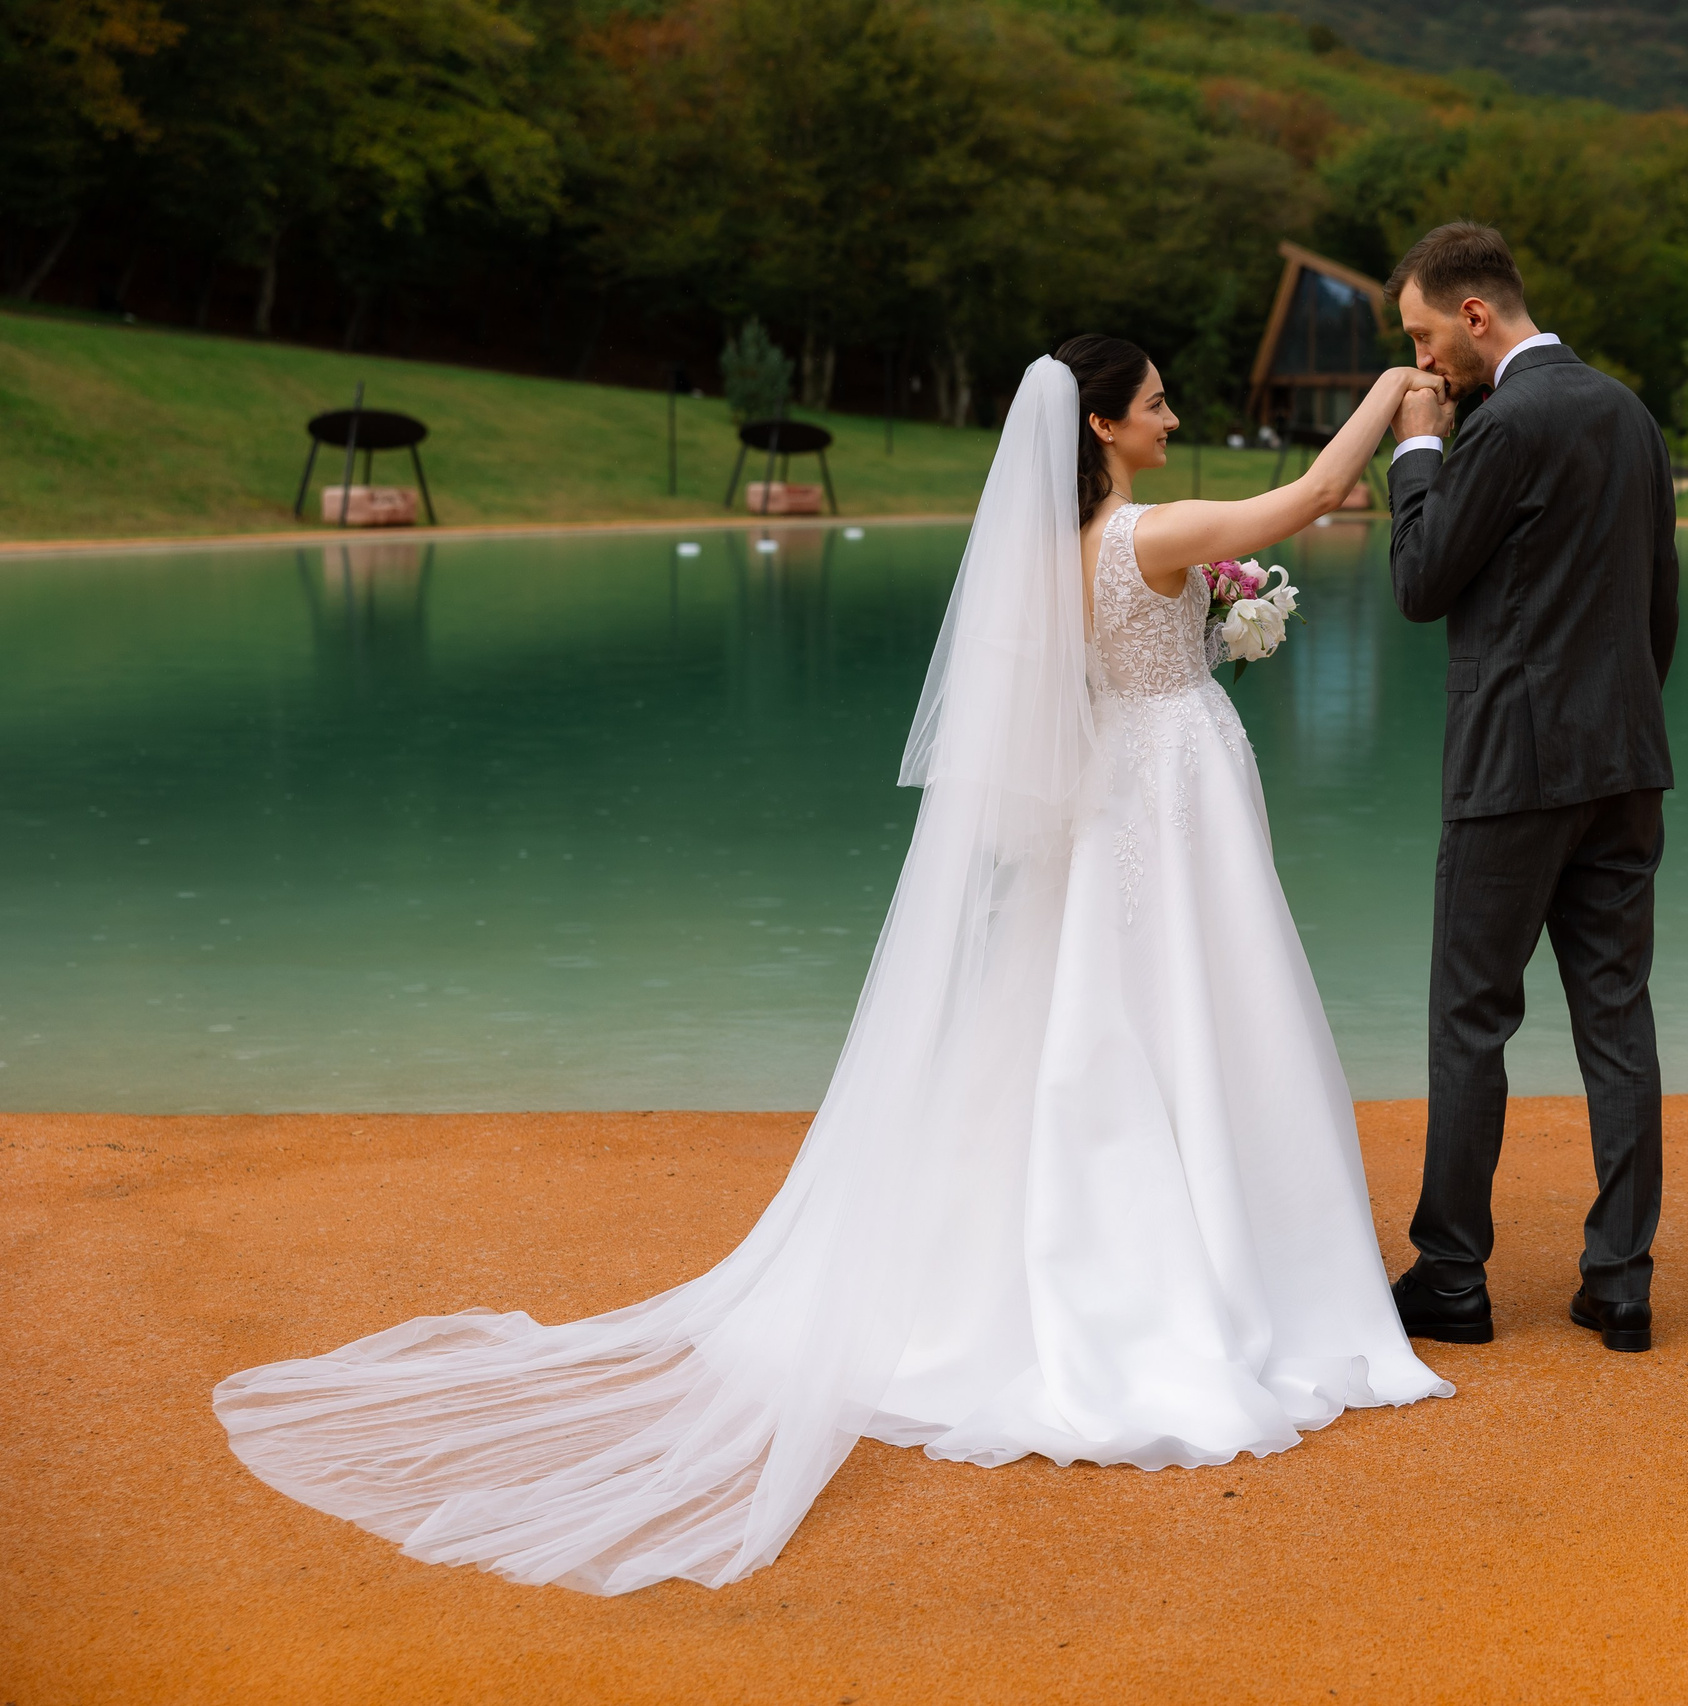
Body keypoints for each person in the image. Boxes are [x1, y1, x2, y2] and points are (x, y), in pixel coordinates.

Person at [211, 340, 1453, 1596]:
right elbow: (1307, 502)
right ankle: (1207, 1258)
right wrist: (1390, 401)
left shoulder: (1048, 554)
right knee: (1192, 1005)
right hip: (1171, 795)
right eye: (1153, 402)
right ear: (1099, 429)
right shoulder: (1154, 533)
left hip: (1114, 804)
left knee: (1098, 1011)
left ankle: (1086, 1243)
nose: (1172, 416)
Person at [1379, 222, 1681, 1355]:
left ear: (1472, 315)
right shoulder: (1627, 411)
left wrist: (1415, 451)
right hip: (1625, 764)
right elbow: (1661, 600)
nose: (1424, 366)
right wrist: (1622, 725)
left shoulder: (1501, 421)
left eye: (1423, 337)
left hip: (1511, 769)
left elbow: (1419, 581)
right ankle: (1622, 1279)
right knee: (1617, 1014)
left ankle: (1453, 1275)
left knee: (1470, 1017)